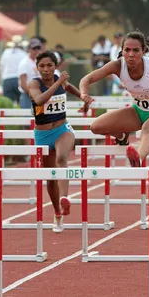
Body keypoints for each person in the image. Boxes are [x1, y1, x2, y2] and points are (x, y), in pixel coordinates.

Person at [79, 30, 149, 168]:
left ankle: (138, 158)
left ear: (143, 51)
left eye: (136, 50)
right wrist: (83, 94)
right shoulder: (117, 66)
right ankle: (122, 137)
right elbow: (87, 79)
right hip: (137, 111)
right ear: (122, 51)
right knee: (96, 127)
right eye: (127, 50)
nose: (131, 55)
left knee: (147, 129)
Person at [28, 51, 92, 233]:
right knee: (50, 178)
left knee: (62, 159)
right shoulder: (34, 83)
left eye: (49, 65)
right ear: (37, 67)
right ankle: (57, 212)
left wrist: (83, 99)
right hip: (42, 134)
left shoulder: (61, 81)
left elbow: (70, 88)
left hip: (62, 129)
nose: (46, 69)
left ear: (55, 66)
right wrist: (58, 82)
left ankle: (65, 199)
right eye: (42, 66)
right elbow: (39, 100)